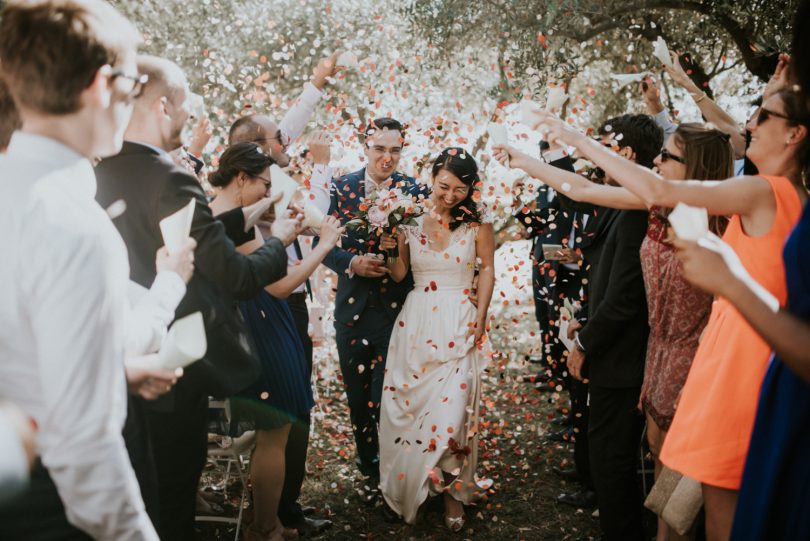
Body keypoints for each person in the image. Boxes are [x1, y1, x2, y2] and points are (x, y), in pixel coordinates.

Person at [536, 85, 807, 539]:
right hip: (716, 362)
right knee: (686, 513)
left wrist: (572, 137)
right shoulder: (774, 196)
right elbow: (614, 191)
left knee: (716, 521)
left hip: (736, 369)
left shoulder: (768, 191)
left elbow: (657, 187)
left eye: (764, 116)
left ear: (795, 133)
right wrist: (539, 158)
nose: (749, 123)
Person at [503, 115, 736, 539]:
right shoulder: (657, 204)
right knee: (663, 470)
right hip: (658, 353)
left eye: (668, 155)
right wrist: (524, 162)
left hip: (697, 359)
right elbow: (586, 189)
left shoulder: (720, 220)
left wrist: (575, 138)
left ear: (695, 166)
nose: (658, 161)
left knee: (686, 485)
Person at [95, 55, 297, 541]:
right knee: (173, 493)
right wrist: (278, 243)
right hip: (170, 365)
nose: (190, 117)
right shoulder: (171, 178)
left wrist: (243, 220)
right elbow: (237, 277)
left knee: (139, 489)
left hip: (114, 357)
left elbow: (165, 234)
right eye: (186, 105)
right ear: (164, 105)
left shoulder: (100, 170)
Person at [0, 0, 159, 538]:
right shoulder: (75, 227)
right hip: (42, 505)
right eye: (134, 87)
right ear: (100, 84)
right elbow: (83, 444)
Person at [498, 113, 662, 541]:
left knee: (614, 461)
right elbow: (577, 190)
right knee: (608, 458)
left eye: (602, 144)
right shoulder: (619, 198)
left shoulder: (637, 209)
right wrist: (521, 159)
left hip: (623, 357)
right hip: (611, 349)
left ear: (624, 153)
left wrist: (586, 340)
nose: (595, 151)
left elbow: (626, 296)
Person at [208, 142, 342, 541]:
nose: (268, 194)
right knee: (276, 427)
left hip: (251, 321)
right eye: (264, 185)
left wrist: (288, 230)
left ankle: (266, 521)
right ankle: (265, 527)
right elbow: (279, 285)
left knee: (275, 427)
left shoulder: (216, 212)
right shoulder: (227, 220)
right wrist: (324, 246)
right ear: (242, 177)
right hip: (260, 323)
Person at [229, 57, 339, 535]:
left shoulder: (250, 173)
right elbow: (316, 217)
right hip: (275, 301)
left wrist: (315, 83)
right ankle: (277, 515)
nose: (284, 142)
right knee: (290, 411)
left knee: (288, 412)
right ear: (259, 149)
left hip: (276, 298)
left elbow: (282, 130)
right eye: (276, 139)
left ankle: (277, 511)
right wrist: (322, 172)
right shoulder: (263, 186)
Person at [377, 147, 494, 531]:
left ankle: (452, 495)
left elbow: (488, 269)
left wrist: (480, 317)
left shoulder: (479, 223)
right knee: (411, 411)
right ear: (432, 178)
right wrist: (389, 250)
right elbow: (398, 275)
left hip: (460, 322)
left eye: (460, 189)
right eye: (444, 186)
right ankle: (415, 483)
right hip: (417, 323)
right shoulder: (407, 219)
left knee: (454, 415)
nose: (450, 195)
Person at [316, 117, 430, 479]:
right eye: (380, 149)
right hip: (351, 309)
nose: (387, 158)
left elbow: (426, 251)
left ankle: (396, 466)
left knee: (391, 395)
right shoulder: (339, 188)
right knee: (357, 395)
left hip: (399, 309)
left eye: (395, 150)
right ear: (364, 147)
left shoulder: (416, 192)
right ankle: (368, 465)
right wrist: (351, 262)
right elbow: (323, 243)